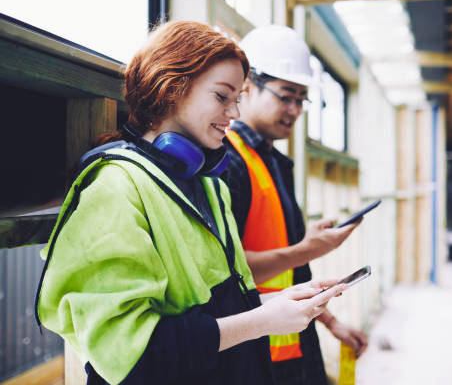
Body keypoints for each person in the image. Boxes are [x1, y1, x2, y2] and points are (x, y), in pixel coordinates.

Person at [34, 21, 346, 385]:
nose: (233, 113)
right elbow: (134, 356)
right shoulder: (114, 188)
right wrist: (262, 319)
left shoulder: (208, 185)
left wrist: (275, 305)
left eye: (237, 99)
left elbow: (216, 309)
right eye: (221, 96)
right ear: (172, 87)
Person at [221, 25, 368, 385]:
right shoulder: (228, 162)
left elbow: (292, 271)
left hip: (290, 341)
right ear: (248, 86)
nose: (294, 110)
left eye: (302, 100)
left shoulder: (273, 162)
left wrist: (332, 323)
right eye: (285, 96)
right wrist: (305, 250)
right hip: (253, 349)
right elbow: (230, 274)